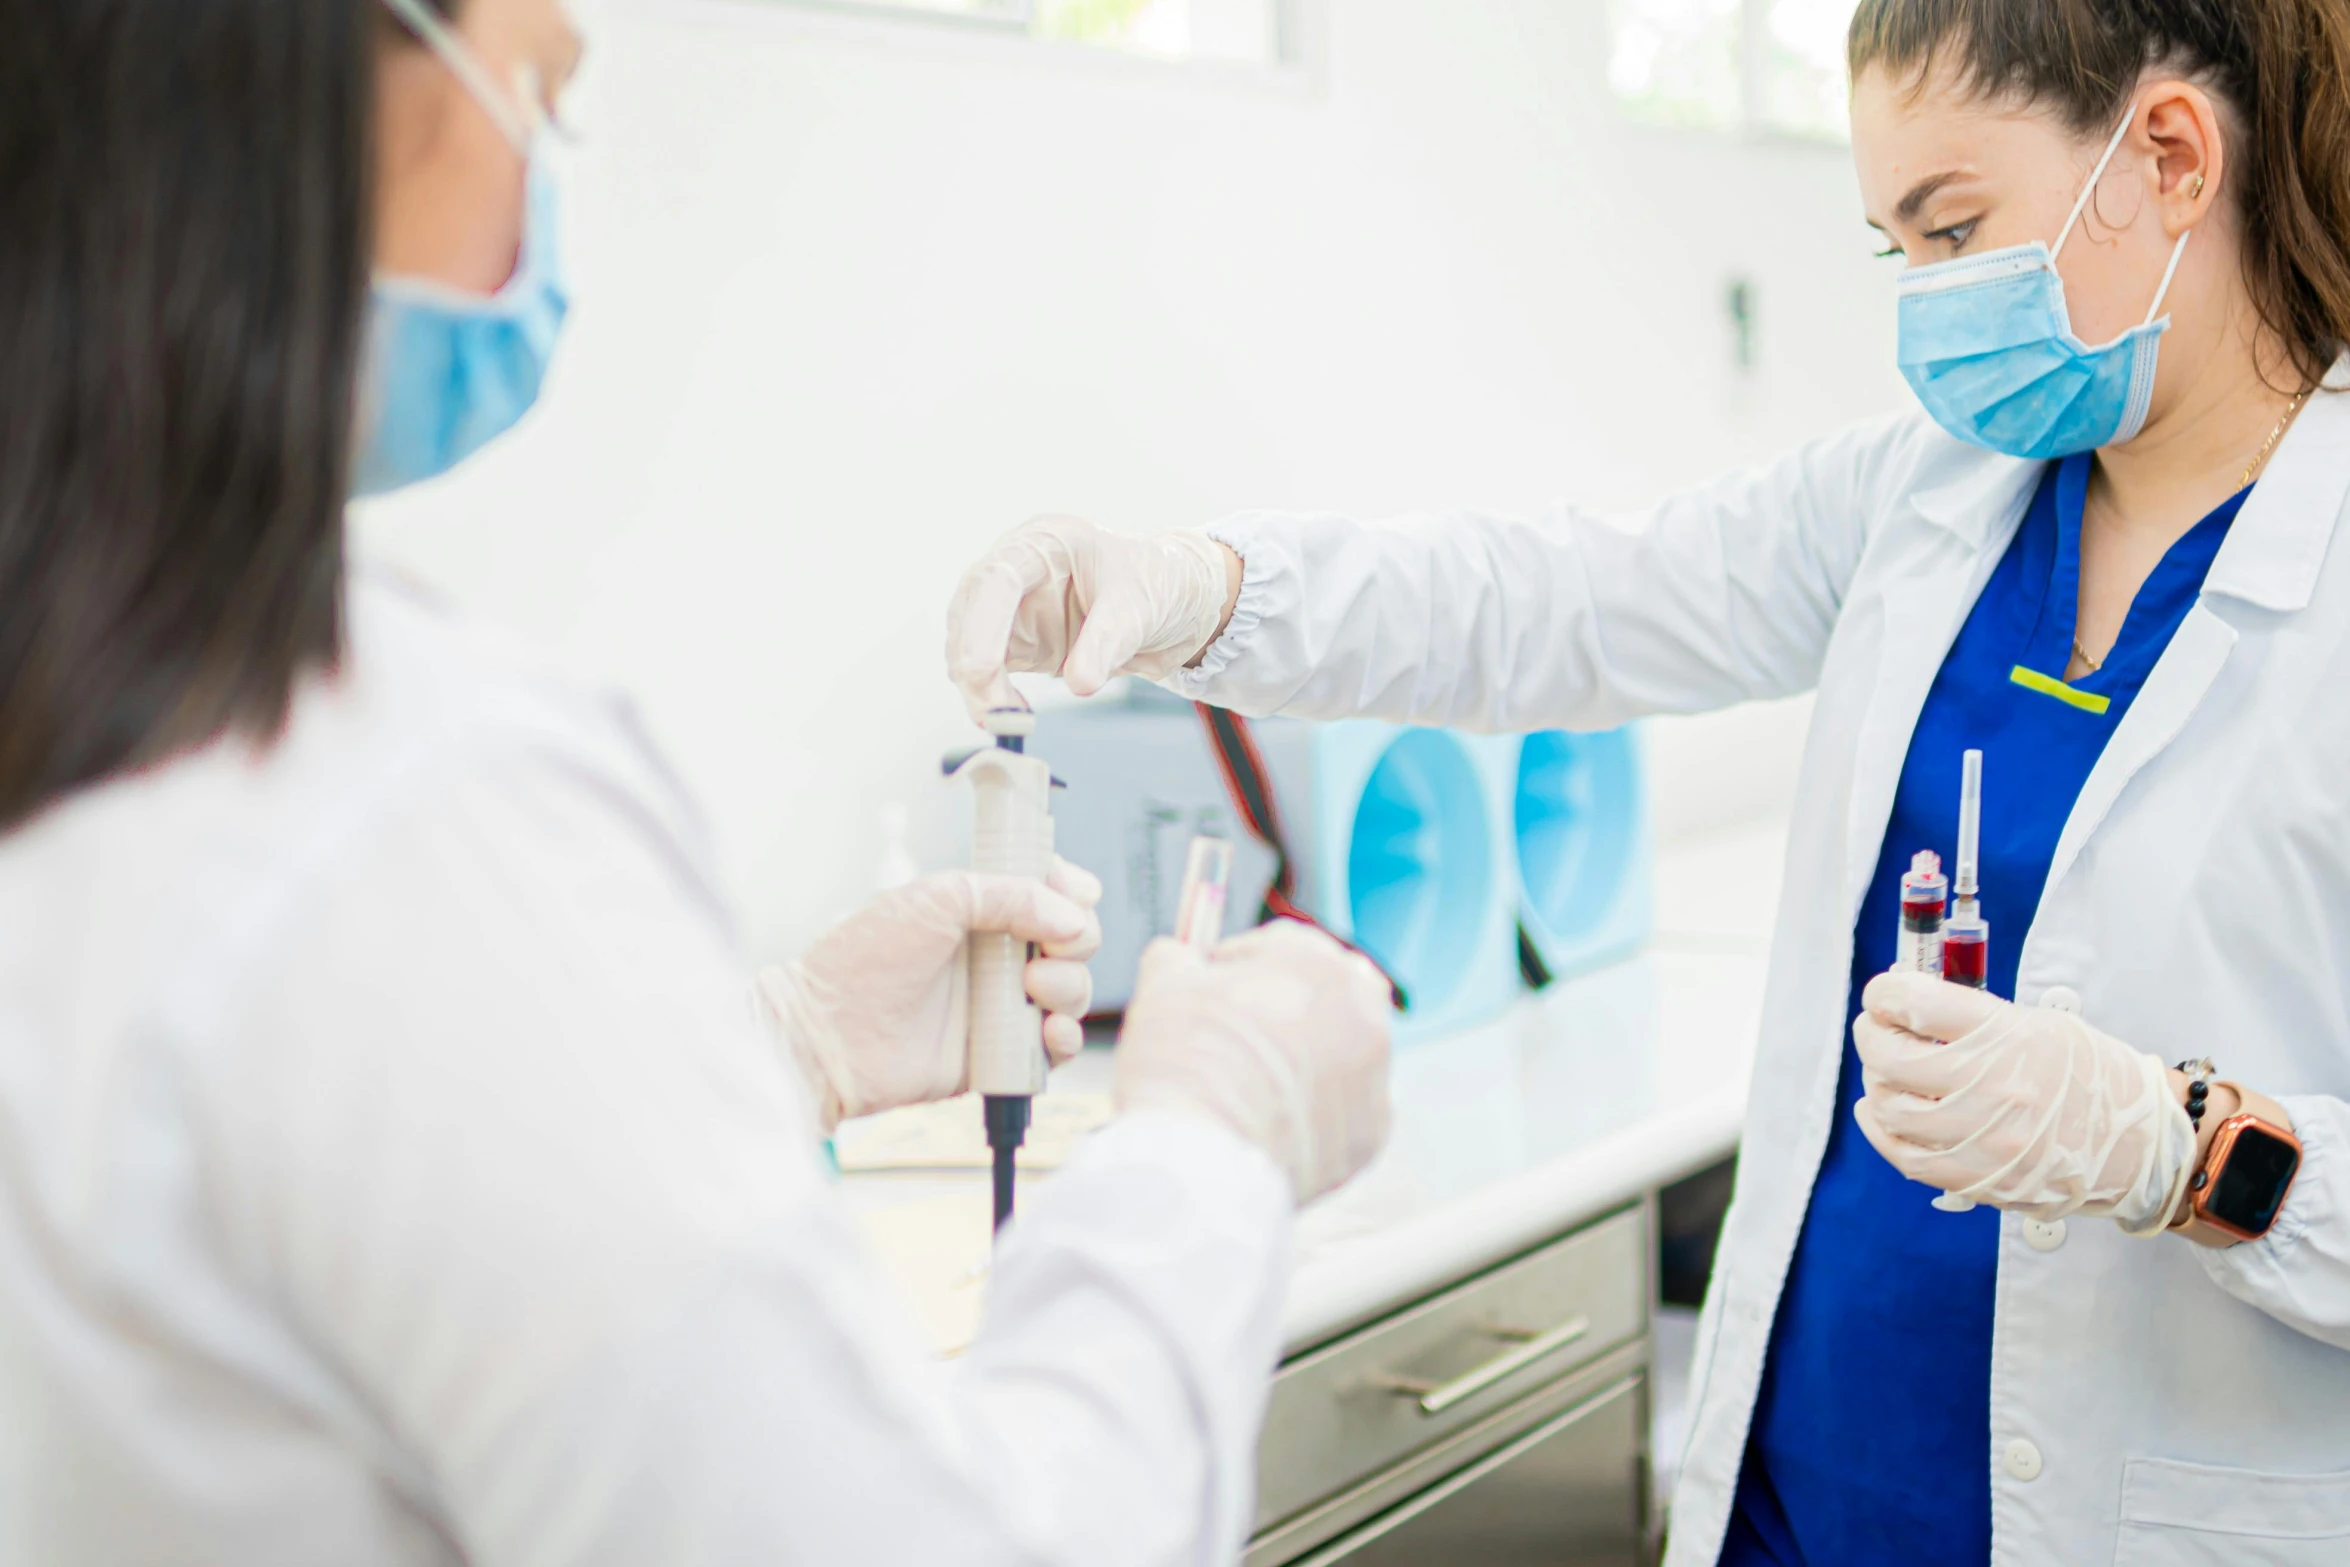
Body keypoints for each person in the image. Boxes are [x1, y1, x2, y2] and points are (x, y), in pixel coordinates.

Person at [947, 1, 2350, 1563]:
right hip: (1802, 1497)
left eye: (1956, 228)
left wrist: (2182, 1147)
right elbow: (1562, 603)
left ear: (2167, 156)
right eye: (1898, 252)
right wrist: (1202, 591)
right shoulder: (1931, 498)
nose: (1931, 306)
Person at [0, 2, 1395, 1564]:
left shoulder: (95, 701)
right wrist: (1209, 1145)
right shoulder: (408, 794)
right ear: (312, 73)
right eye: (539, 96)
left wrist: (768, 1046)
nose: (545, 176)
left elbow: (284, 1180)